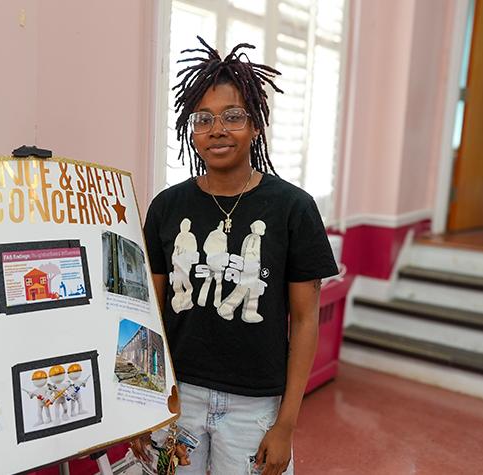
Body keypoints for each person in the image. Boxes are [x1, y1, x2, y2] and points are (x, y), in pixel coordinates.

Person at [133, 37, 338, 475]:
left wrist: (286, 424)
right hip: (178, 396)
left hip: (255, 405)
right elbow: (148, 310)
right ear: (191, 128)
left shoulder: (292, 208)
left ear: (256, 125)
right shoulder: (167, 206)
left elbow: (303, 322)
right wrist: (142, 405)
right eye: (203, 118)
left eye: (233, 116)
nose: (217, 129)